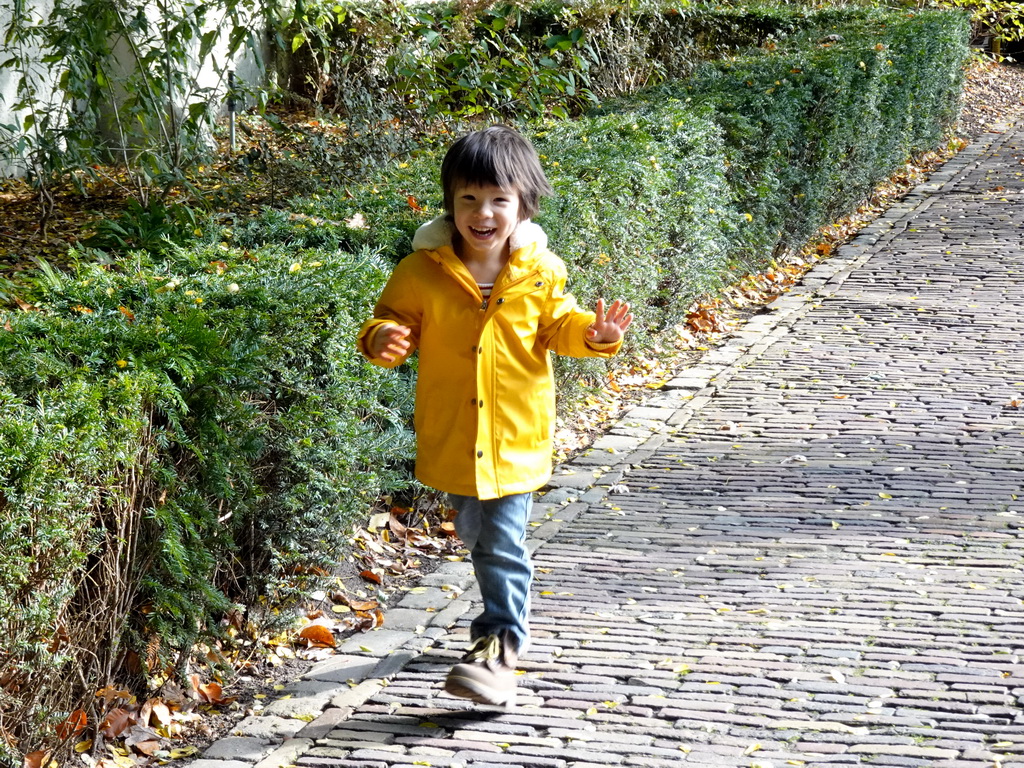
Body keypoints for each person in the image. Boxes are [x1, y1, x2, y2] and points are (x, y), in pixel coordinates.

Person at [357, 125, 632, 708]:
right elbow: (386, 318)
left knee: (501, 541)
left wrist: (595, 334)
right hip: (454, 434)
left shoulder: (540, 270)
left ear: (523, 205)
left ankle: (499, 646)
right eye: (469, 199)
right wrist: (383, 338)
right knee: (478, 534)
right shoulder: (421, 271)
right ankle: (501, 625)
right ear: (451, 202)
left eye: (499, 199)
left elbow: (559, 326)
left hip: (515, 434)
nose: (483, 213)